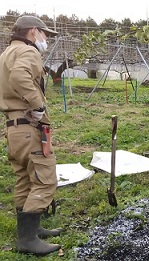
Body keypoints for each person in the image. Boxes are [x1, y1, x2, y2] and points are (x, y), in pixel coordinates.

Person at [0, 15, 61, 255]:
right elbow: (19, 77)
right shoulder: (29, 52)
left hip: (13, 127)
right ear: (33, 31)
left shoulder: (6, 53)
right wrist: (38, 105)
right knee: (45, 178)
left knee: (24, 178)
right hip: (28, 126)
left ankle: (31, 232)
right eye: (45, 34)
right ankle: (27, 239)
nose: (46, 39)